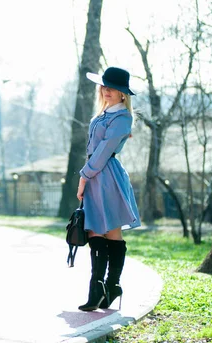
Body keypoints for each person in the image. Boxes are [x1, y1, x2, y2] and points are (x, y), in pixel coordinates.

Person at [76, 66, 141, 312]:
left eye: (112, 88)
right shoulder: (102, 115)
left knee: (109, 232)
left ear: (123, 94)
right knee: (96, 231)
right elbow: (95, 151)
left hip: (107, 177)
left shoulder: (123, 117)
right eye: (104, 86)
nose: (107, 91)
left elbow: (104, 150)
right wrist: (86, 175)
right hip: (95, 173)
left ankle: (110, 286)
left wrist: (83, 177)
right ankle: (99, 288)